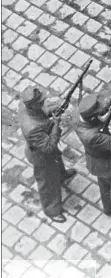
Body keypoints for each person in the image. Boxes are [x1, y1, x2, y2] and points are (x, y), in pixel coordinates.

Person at [19, 86, 76, 223]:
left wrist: (56, 108)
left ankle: (61, 175)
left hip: (46, 150)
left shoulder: (26, 106)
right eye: (41, 101)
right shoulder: (32, 128)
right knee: (48, 182)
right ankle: (52, 209)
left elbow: (42, 111)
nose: (44, 101)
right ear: (33, 104)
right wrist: (56, 124)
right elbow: (49, 147)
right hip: (42, 157)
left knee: (57, 162)